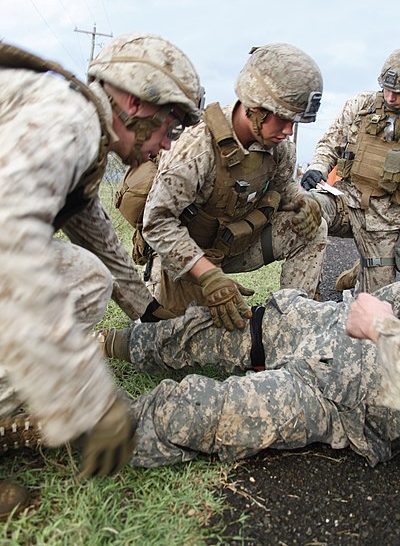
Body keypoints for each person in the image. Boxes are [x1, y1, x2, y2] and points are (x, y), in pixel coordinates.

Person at [0, 32, 203, 516]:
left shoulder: (83, 135)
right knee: (82, 281)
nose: (162, 148)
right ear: (134, 101)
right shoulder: (66, 120)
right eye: (167, 130)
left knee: (91, 273)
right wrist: (89, 398)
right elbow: (12, 245)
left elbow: (101, 242)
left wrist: (152, 315)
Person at [128, 43, 326, 331]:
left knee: (312, 228)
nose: (288, 130)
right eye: (283, 119)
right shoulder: (196, 147)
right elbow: (157, 223)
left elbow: (284, 187)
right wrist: (208, 277)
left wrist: (302, 199)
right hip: (183, 256)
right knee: (166, 336)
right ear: (254, 107)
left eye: (294, 121)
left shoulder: (280, 147)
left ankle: (293, 325)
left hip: (234, 246)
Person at [98, 282, 400, 470]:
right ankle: (106, 343)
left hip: (344, 398)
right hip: (327, 325)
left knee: (205, 410)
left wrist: (380, 326)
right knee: (221, 327)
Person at [301, 49, 400, 294]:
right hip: (346, 202)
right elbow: (329, 143)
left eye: (398, 93)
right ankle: (308, 296)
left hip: (386, 222)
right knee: (305, 210)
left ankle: (362, 270)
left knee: (380, 302)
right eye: (387, 89)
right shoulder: (361, 106)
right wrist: (317, 167)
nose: (391, 97)